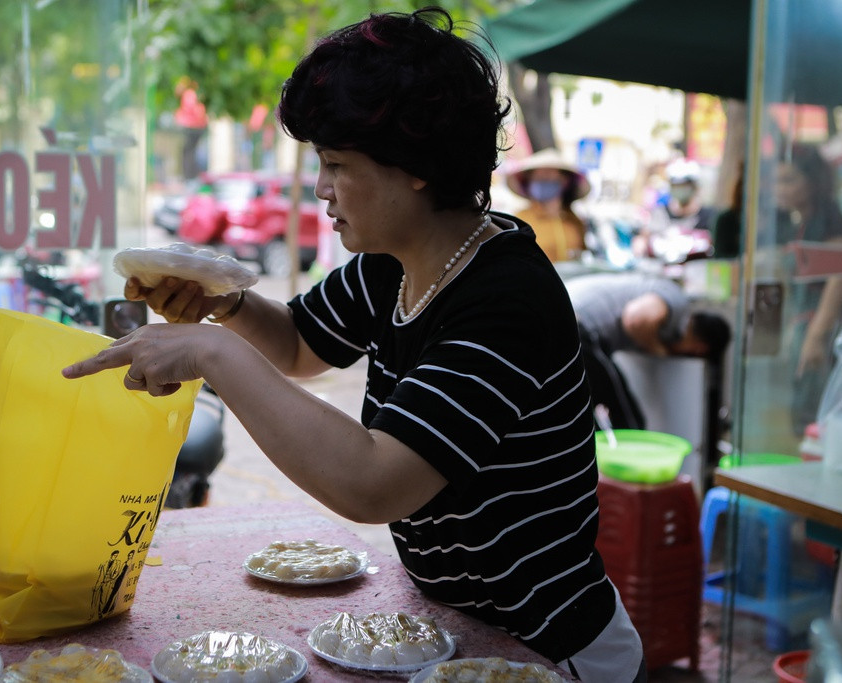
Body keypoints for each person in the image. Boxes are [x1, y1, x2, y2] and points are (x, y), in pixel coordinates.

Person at [63, 9, 645, 681]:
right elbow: (298, 343)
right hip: (458, 627)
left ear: (416, 166)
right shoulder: (394, 260)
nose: (321, 189)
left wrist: (209, 351)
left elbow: (374, 483)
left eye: (336, 164)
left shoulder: (504, 296)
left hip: (551, 647)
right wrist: (224, 302)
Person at [566, 272, 732, 430]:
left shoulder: (670, 318)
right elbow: (635, 320)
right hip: (578, 325)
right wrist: (659, 352)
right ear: (700, 348)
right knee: (627, 421)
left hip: (569, 320)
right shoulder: (676, 301)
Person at [775, 143, 842, 436]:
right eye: (777, 180)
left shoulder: (830, 220)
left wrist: (816, 335)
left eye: (790, 180)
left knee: (813, 413)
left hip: (826, 330)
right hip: (803, 325)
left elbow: (840, 278)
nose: (781, 189)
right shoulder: (798, 222)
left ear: (812, 182)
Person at [503, 148, 591, 262]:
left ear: (564, 180)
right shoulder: (520, 221)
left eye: (547, 175)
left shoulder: (575, 221)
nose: (540, 180)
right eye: (535, 177)